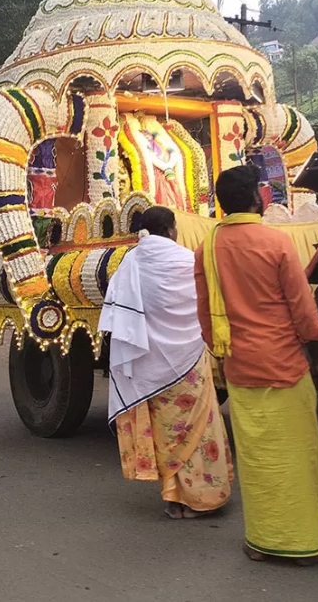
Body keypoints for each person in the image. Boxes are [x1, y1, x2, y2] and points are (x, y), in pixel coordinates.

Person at [193, 165, 318, 566]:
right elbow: (305, 314)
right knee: (297, 456)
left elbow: (205, 317)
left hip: (240, 368)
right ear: (257, 198)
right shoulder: (276, 243)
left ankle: (262, 541)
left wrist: (223, 347)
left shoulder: (208, 247)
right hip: (284, 366)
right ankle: (304, 544)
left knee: (257, 460)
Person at [100, 206, 233, 519]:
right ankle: (200, 498)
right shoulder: (187, 259)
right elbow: (206, 303)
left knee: (166, 430)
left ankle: (173, 496)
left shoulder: (129, 263)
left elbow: (119, 314)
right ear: (173, 229)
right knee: (197, 429)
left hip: (148, 364)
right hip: (187, 361)